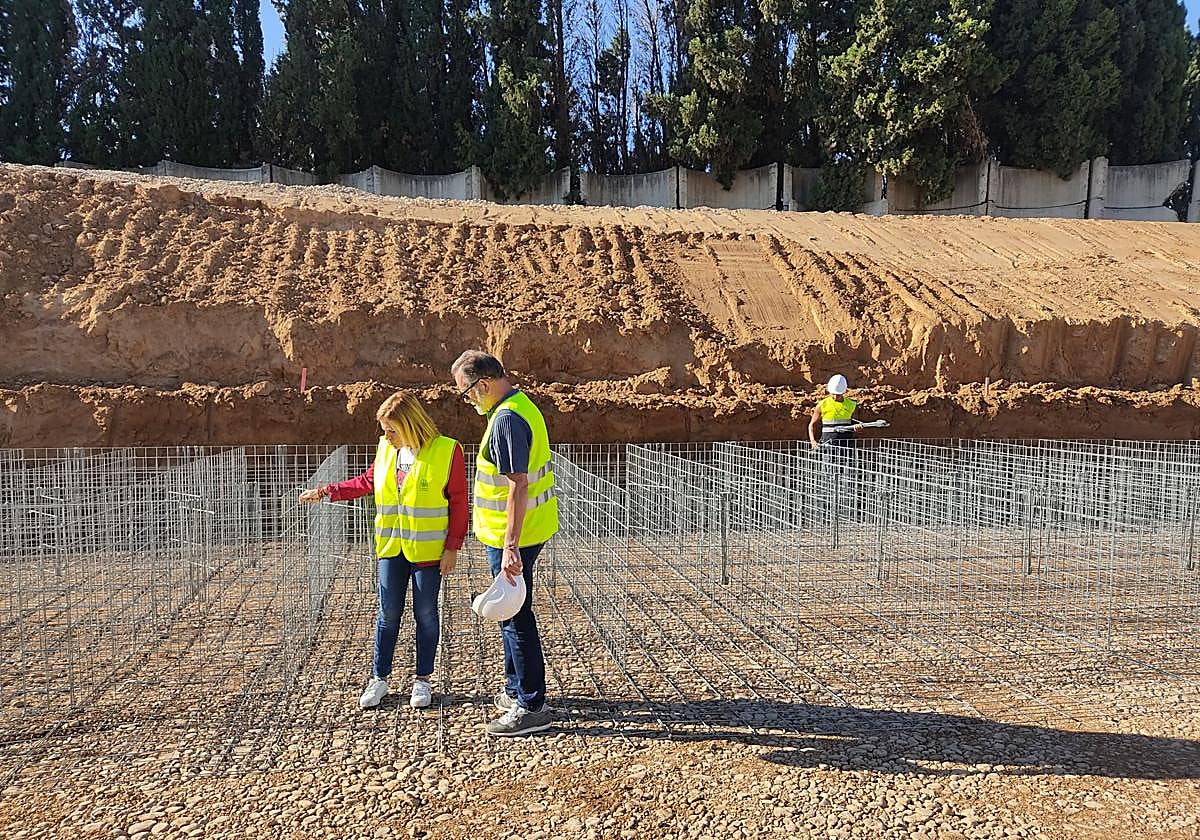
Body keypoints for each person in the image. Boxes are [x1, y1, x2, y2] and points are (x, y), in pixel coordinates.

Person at [299, 391, 467, 710]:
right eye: (385, 430)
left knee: (426, 613)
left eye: (392, 430)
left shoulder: (447, 451)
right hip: (391, 547)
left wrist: (453, 547)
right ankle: (379, 678)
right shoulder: (386, 449)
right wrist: (326, 492)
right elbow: (367, 481)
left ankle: (422, 680)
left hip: (428, 552)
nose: (386, 436)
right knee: (388, 613)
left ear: (410, 424)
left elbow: (460, 502)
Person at [451, 350, 558, 736]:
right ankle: (516, 690)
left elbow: (518, 485)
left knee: (514, 614)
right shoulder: (518, 405)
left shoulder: (508, 420)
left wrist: (510, 545)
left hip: (515, 537)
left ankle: (531, 705)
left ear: (483, 385)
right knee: (511, 612)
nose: (468, 402)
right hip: (522, 531)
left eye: (467, 394)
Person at [808, 373, 864, 452]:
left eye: (838, 394)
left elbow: (855, 425)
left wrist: (858, 428)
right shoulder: (822, 405)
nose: (835, 397)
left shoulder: (852, 405)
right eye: (833, 394)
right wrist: (813, 441)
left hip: (846, 446)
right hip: (828, 446)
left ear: (843, 392)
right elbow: (812, 425)